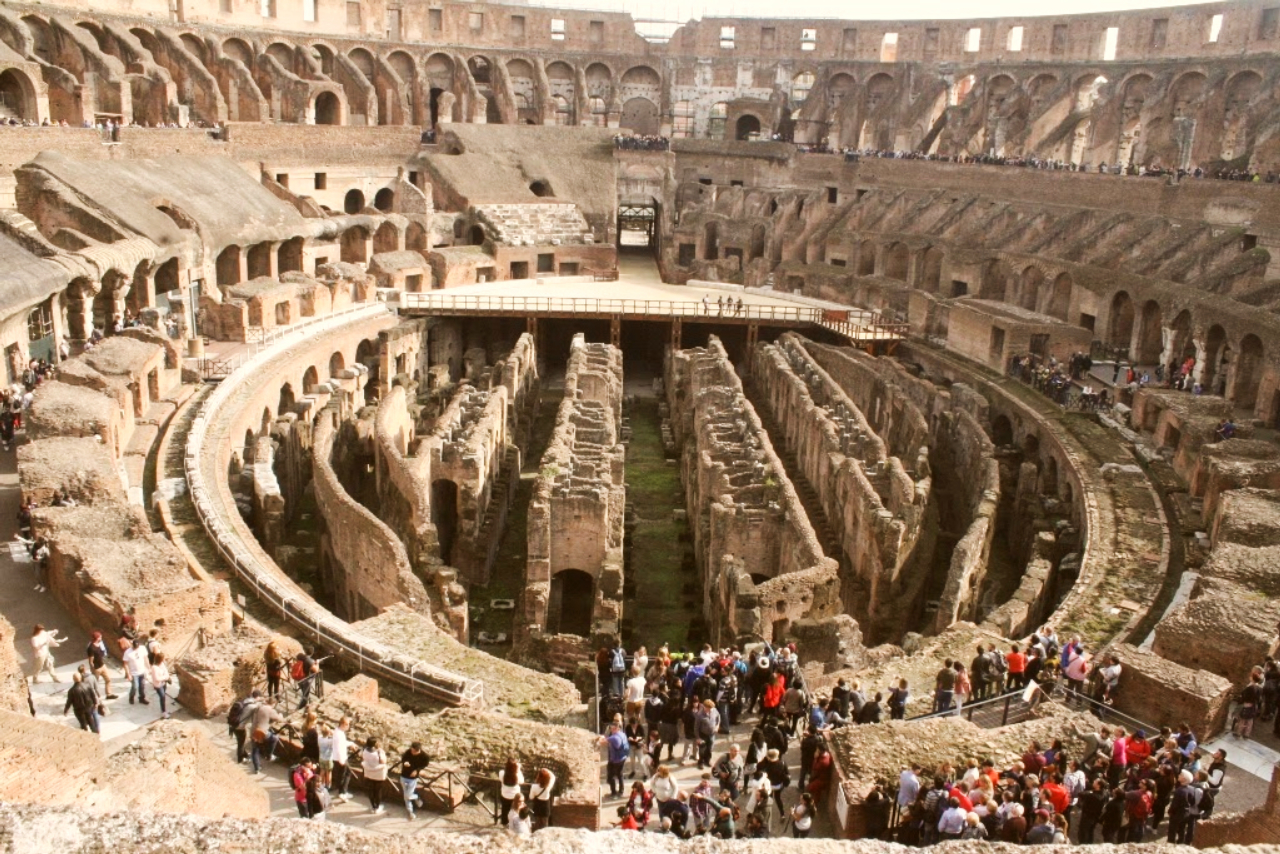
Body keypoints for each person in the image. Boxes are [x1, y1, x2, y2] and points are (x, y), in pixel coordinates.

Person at [248, 697, 283, 774]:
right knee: (275, 738)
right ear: (273, 704)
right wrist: (280, 714)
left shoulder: (259, 707)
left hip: (253, 730)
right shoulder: (270, 710)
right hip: (262, 731)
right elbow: (279, 719)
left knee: (255, 749)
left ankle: (257, 768)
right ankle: (269, 755)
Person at [400, 741, 430, 820]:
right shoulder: (408, 752)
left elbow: (424, 765)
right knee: (406, 795)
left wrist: (417, 770)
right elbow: (403, 758)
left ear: (418, 750)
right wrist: (405, 762)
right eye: (411, 750)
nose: (412, 752)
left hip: (413, 778)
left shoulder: (424, 756)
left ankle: (416, 797)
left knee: (408, 795)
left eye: (413, 751)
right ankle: (410, 811)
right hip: (404, 776)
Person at [599, 721, 629, 798]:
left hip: (616, 760)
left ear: (615, 728)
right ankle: (621, 791)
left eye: (611, 729)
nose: (611, 730)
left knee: (611, 776)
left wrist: (601, 737)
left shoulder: (614, 737)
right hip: (622, 757)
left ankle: (614, 793)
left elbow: (602, 742)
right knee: (620, 775)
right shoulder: (622, 734)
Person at [361, 736, 389, 814]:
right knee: (378, 791)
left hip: (369, 772)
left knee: (371, 790)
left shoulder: (364, 750)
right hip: (378, 773)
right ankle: (377, 807)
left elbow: (363, 758)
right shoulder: (379, 752)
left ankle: (373, 806)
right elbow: (383, 761)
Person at [85, 631, 116, 699]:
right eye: (100, 637)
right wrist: (93, 669)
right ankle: (93, 697)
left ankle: (109, 694)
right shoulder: (91, 648)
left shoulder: (99, 644)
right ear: (97, 638)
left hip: (102, 665)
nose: (101, 638)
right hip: (96, 668)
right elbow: (91, 661)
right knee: (95, 683)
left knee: (108, 679)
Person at [331, 717, 353, 801]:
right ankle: (343, 792)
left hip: (338, 757)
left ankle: (342, 792)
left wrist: (351, 743)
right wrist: (342, 760)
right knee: (345, 775)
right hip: (341, 758)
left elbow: (342, 744)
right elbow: (340, 747)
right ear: (343, 724)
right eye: (347, 725)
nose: (348, 726)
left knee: (343, 775)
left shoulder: (338, 732)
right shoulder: (340, 734)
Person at [123, 638, 149, 705]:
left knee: (142, 686)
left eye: (136, 647)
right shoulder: (127, 652)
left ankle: (142, 698)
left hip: (142, 671)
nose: (135, 648)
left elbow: (146, 658)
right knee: (135, 687)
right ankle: (131, 697)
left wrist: (149, 667)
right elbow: (125, 664)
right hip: (134, 673)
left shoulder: (143, 648)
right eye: (134, 647)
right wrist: (128, 674)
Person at [500, 758, 524, 825]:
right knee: (515, 811)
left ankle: (504, 823)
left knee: (505, 810)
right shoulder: (517, 775)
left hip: (504, 795)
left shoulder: (502, 773)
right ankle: (513, 824)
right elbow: (522, 781)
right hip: (515, 796)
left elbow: (500, 779)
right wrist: (518, 770)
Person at [148, 650, 172, 719]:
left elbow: (166, 671)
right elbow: (157, 678)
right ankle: (164, 712)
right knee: (162, 697)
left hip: (163, 683)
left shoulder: (162, 664)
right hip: (158, 685)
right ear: (160, 659)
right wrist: (165, 677)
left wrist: (166, 676)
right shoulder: (154, 668)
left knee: (163, 697)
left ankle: (164, 709)